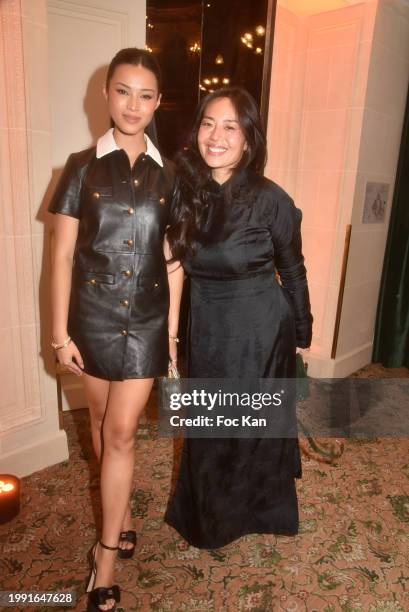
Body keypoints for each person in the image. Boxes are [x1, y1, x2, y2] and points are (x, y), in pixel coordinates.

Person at [48, 48, 183, 612]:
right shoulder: (80, 167)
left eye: (146, 94)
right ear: (105, 94)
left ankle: (104, 558)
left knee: (124, 432)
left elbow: (174, 262)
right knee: (102, 428)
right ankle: (122, 513)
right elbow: (59, 258)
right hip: (92, 321)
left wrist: (171, 338)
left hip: (147, 322)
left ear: (157, 102)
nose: (134, 104)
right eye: (124, 91)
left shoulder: (170, 174)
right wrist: (60, 335)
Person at [165, 86, 313, 549]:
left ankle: (259, 510)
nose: (216, 135)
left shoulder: (270, 198)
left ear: (249, 139)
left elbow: (292, 268)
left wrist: (301, 330)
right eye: (208, 123)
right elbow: (173, 265)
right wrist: (168, 336)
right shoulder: (187, 193)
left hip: (259, 329)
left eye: (230, 126)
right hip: (207, 326)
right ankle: (210, 516)